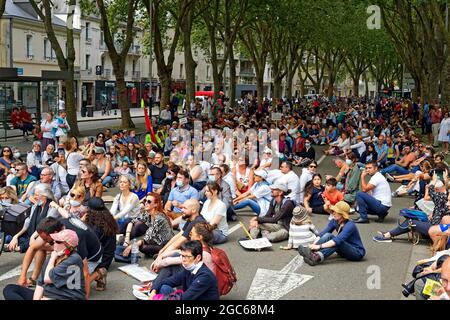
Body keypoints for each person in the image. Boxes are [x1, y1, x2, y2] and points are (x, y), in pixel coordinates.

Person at [3, 229, 86, 300]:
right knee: (10, 289)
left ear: (67, 246)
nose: (53, 243)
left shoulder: (74, 259)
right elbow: (41, 283)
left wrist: (53, 258)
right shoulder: (54, 256)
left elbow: (47, 278)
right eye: (53, 241)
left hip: (67, 297)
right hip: (47, 295)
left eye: (57, 241)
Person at [298, 201, 366, 266]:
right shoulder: (335, 221)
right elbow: (322, 234)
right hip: (343, 249)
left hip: (356, 253)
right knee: (328, 235)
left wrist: (319, 246)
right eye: (333, 211)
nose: (333, 213)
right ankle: (310, 251)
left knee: (336, 242)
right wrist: (313, 245)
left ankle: (316, 257)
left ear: (342, 214)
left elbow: (337, 240)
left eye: (336, 212)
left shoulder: (350, 225)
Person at [148, 240, 219, 300]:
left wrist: (158, 298)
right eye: (182, 256)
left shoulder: (205, 276)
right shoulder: (188, 269)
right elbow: (166, 281)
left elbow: (185, 298)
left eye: (187, 256)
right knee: (163, 287)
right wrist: (154, 290)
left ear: (198, 257)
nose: (183, 260)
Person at [7, 183, 59, 253]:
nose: (34, 197)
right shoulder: (35, 206)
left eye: (37, 195)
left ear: (45, 196)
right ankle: (13, 244)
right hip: (31, 233)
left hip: (44, 235)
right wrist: (16, 236)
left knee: (35, 240)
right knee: (10, 237)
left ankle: (17, 247)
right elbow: (28, 222)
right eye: (34, 194)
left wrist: (32, 237)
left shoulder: (53, 208)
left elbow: (45, 227)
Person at [82, 198, 119, 291]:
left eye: (87, 207)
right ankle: (99, 275)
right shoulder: (108, 219)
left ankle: (99, 273)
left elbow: (88, 246)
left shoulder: (95, 227)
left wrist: (81, 222)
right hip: (107, 256)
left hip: (100, 260)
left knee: (78, 286)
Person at [122, 192, 173, 257]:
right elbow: (132, 222)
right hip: (155, 239)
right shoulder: (147, 213)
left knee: (142, 247)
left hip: (165, 243)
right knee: (131, 227)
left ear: (156, 204)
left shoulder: (159, 218)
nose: (146, 203)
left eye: (149, 201)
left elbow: (147, 238)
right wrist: (127, 238)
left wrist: (131, 246)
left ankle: (163, 252)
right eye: (145, 200)